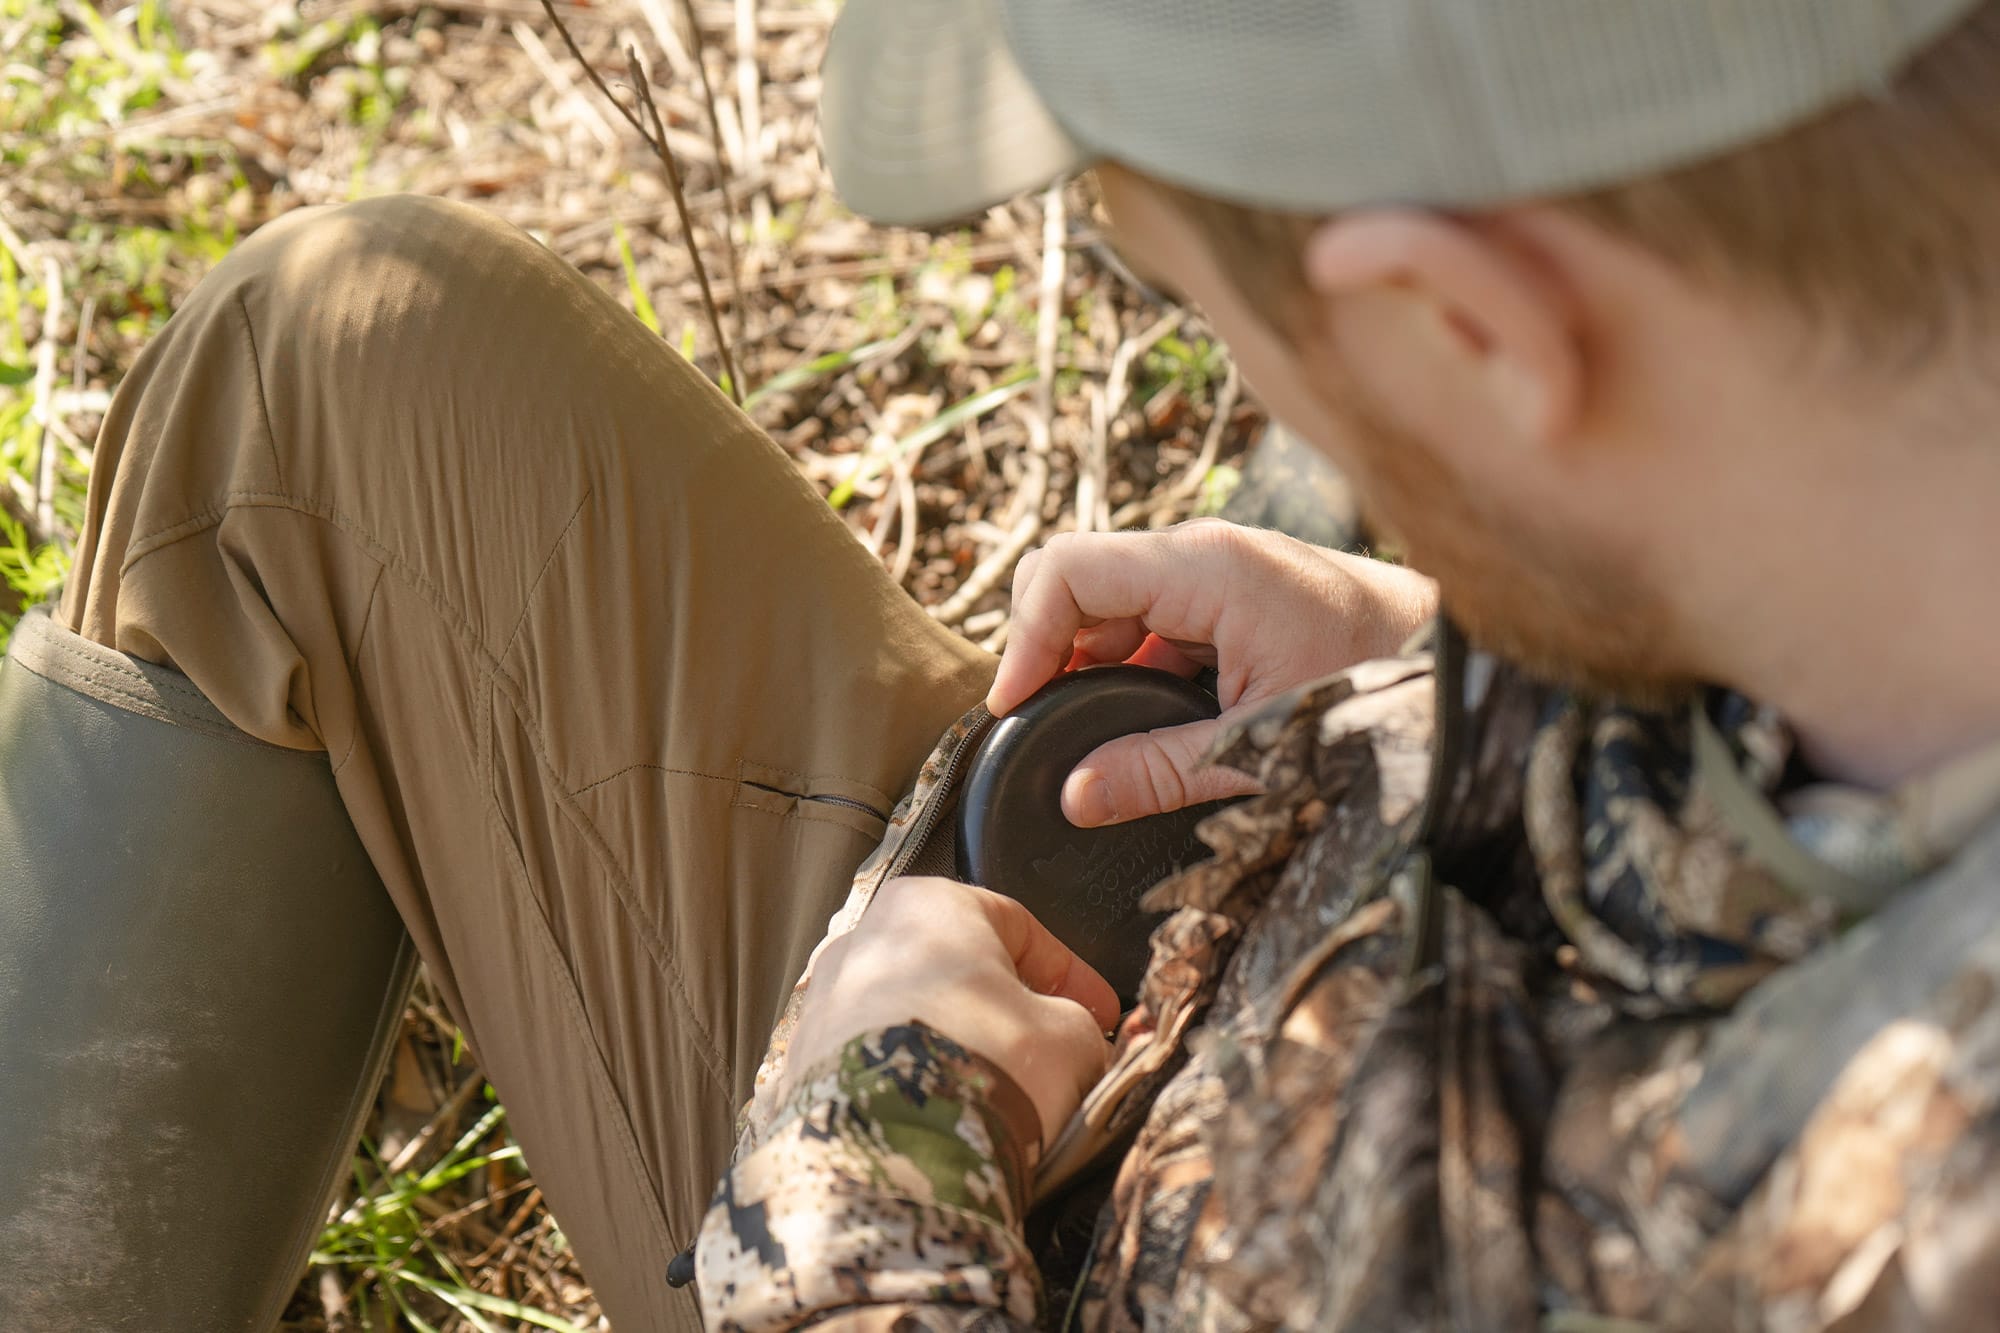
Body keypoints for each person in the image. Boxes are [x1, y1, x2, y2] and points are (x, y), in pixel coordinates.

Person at [8, 0, 2000, 1330]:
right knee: (340, 365)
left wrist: (863, 1150)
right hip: (1156, 975)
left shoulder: (1891, 1225)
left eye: (1221, 312)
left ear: (1473, 332)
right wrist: (1465, 661)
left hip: (962, 1215)